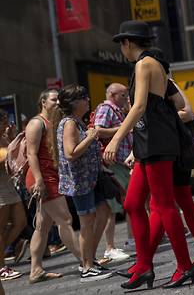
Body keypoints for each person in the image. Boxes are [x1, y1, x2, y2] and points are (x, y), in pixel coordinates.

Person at [104, 20, 194, 289]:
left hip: (156, 142)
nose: (122, 48)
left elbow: (140, 105)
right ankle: (144, 266)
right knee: (132, 204)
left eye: (121, 44)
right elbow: (177, 103)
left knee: (165, 205)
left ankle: (184, 266)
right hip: (149, 142)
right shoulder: (156, 64)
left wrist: (116, 139)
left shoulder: (144, 64)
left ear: (127, 43)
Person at [55, 85, 113, 282]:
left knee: (102, 211)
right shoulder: (69, 123)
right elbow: (71, 153)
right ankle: (87, 266)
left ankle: (90, 259)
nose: (88, 100)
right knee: (87, 221)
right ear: (74, 103)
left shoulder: (77, 122)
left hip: (89, 178)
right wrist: (90, 137)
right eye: (83, 97)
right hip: (79, 181)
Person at [26, 89, 81, 284]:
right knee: (65, 219)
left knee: (42, 225)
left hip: (50, 176)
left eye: (59, 99)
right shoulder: (36, 123)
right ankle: (86, 262)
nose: (58, 102)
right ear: (43, 102)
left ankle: (35, 270)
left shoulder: (53, 122)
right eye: (54, 99)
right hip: (42, 178)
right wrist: (39, 180)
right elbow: (31, 154)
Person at [92, 83, 132, 263]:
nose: (126, 98)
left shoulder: (118, 110)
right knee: (112, 207)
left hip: (121, 163)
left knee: (126, 203)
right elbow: (98, 131)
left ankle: (131, 239)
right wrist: (122, 129)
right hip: (113, 163)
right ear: (114, 95)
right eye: (124, 95)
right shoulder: (106, 108)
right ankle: (109, 247)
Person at [0, 111, 26, 281]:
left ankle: (1, 255)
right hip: (1, 189)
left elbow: (11, 158)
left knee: (21, 222)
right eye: (3, 121)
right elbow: (6, 159)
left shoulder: (3, 137)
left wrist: (12, 138)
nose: (6, 124)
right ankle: (1, 267)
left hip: (8, 186)